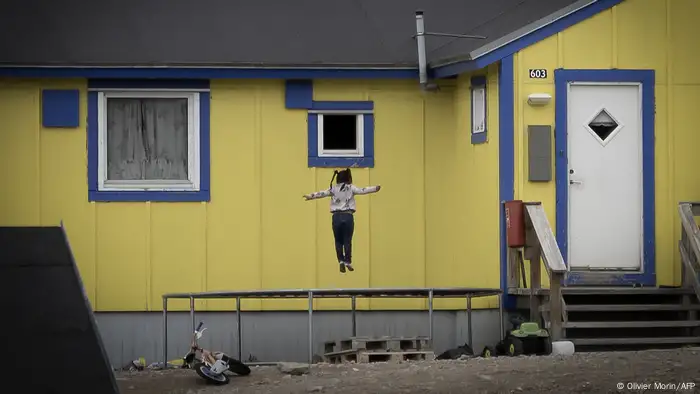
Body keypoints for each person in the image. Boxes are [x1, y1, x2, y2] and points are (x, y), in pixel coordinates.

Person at [303, 168, 381, 273]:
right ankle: (348, 261)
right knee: (347, 240)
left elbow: (321, 193)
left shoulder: (333, 189)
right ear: (348, 178)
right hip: (348, 216)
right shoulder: (351, 188)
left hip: (336, 217)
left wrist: (310, 196)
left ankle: (340, 260)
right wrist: (375, 188)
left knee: (338, 240)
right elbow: (363, 190)